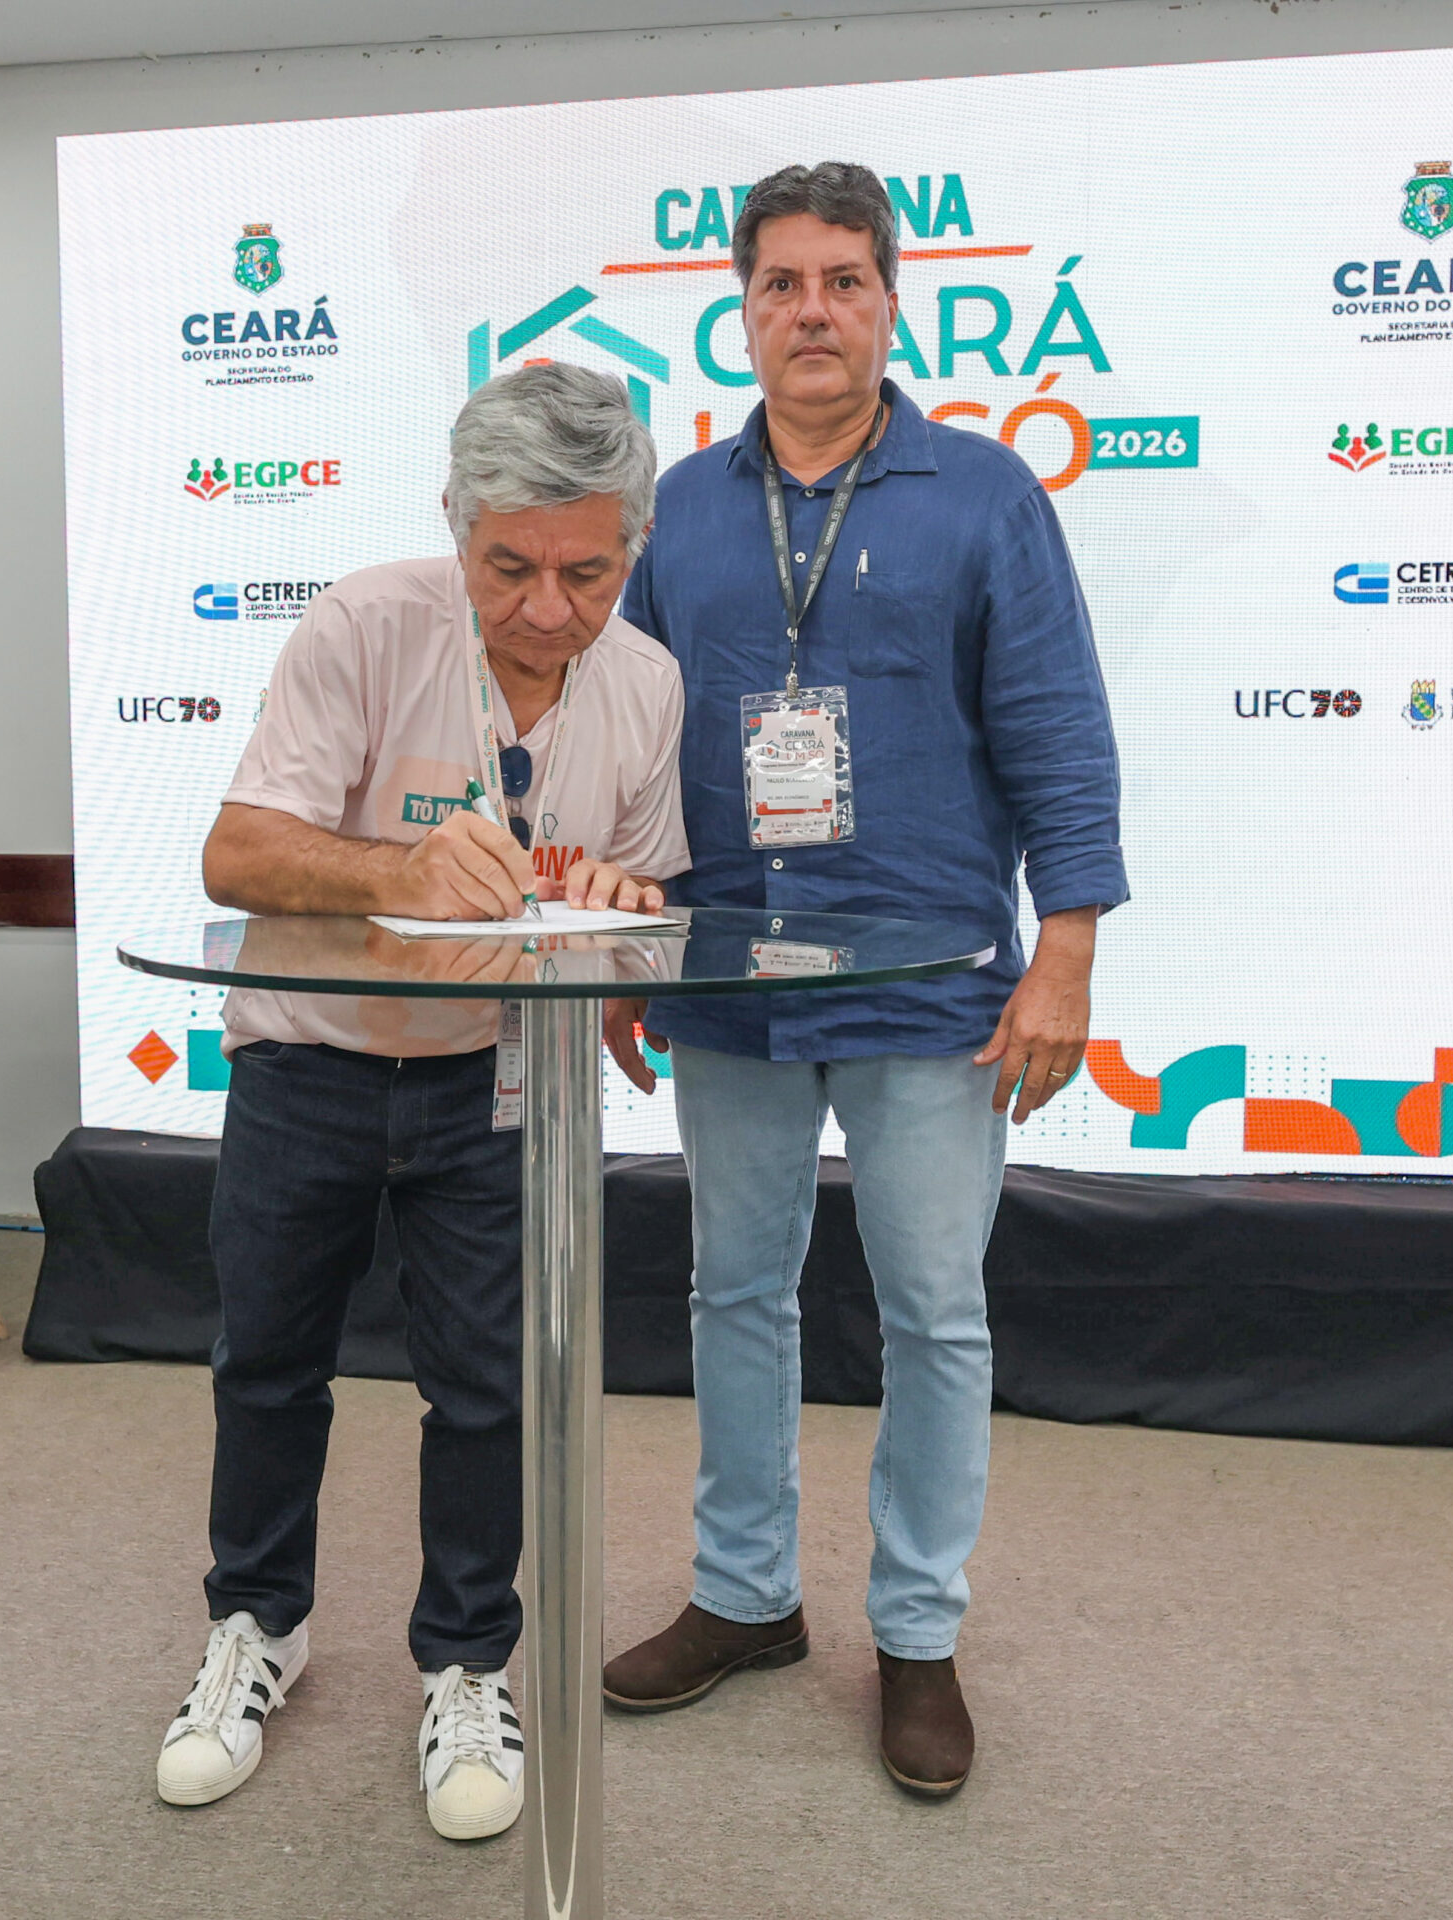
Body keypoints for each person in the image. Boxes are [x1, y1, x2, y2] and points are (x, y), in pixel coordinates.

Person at [582, 162, 1127, 1798]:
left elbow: (1058, 731)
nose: (810, 311)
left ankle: (917, 1634)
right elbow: (635, 740)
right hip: (727, 976)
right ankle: (746, 1596)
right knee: (734, 1294)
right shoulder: (680, 507)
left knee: (935, 1314)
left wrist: (1067, 951)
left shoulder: (986, 496)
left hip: (931, 981)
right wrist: (625, 946)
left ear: (892, 302)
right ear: (741, 313)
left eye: (842, 281)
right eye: (780, 285)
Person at [157, 363, 688, 1839]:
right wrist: (400, 871)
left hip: (498, 1080)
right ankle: (256, 1628)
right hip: (309, 1058)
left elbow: (648, 912)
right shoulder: (366, 623)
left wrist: (618, 914)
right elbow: (237, 853)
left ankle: (469, 1663)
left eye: (587, 574)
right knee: (268, 1363)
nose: (547, 609)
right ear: (456, 524)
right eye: (509, 567)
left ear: (632, 549)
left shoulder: (648, 684)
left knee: (488, 1388)